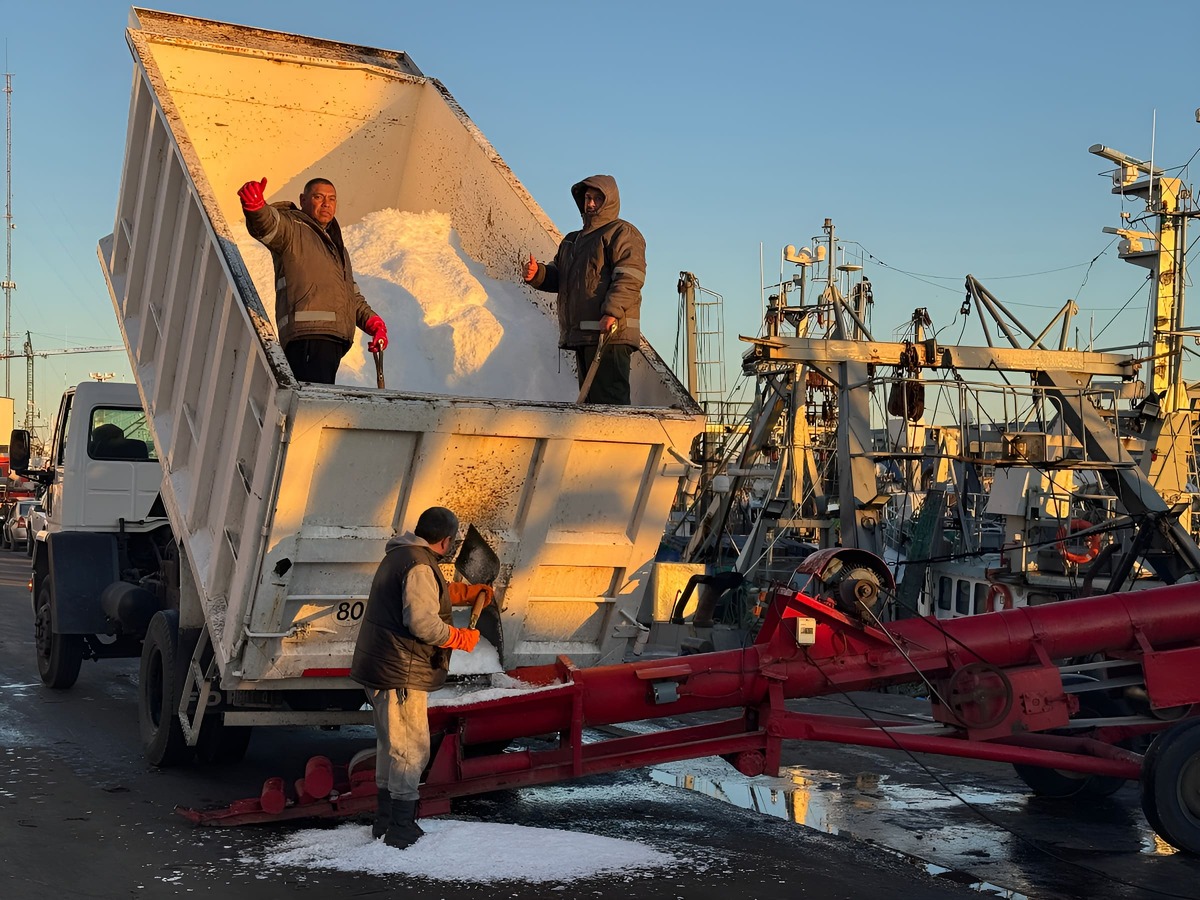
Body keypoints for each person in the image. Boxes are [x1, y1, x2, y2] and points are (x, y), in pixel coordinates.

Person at [349, 506, 495, 849]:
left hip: (386, 668)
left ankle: (385, 821)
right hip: (400, 671)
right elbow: (422, 622)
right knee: (410, 750)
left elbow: (426, 592)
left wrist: (465, 593)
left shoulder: (404, 556)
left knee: (391, 747)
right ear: (446, 541)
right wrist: (460, 638)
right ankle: (400, 826)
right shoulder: (417, 565)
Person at [238, 176, 388, 384]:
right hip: (307, 337)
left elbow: (349, 295)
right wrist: (255, 208)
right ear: (303, 199)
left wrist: (373, 322)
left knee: (318, 409)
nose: (326, 203)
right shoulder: (293, 228)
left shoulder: (337, 246)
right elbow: (269, 224)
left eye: (332, 199)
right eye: (318, 197)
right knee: (312, 412)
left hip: (330, 341)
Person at [523, 174, 645, 405]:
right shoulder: (572, 240)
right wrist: (537, 274)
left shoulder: (621, 233)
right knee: (590, 405)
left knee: (610, 405)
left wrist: (612, 311)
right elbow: (560, 276)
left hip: (610, 335)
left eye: (597, 198)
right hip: (583, 335)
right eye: (588, 198)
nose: (590, 204)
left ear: (609, 201)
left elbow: (630, 277)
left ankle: (616, 442)